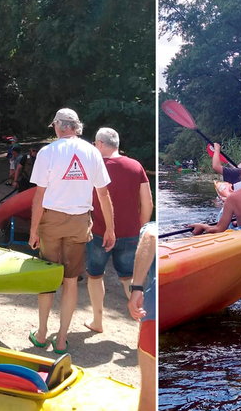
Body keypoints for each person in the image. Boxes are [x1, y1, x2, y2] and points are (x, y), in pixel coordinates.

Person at [28, 108, 114, 355]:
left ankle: (43, 333)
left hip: (51, 222)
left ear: (59, 126)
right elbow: (103, 194)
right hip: (79, 221)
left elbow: (39, 196)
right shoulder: (92, 152)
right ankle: (62, 338)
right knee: (70, 280)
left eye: (54, 125)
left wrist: (33, 231)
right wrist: (110, 228)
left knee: (48, 278)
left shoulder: (48, 152)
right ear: (76, 126)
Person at [84, 128, 153, 333]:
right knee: (130, 279)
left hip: (97, 231)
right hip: (131, 233)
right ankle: (143, 324)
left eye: (96, 144)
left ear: (102, 144)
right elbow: (148, 202)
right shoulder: (135, 166)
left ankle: (97, 322)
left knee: (95, 276)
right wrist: (141, 227)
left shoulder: (93, 167)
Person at [126, 222, 156, 411]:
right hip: (154, 312)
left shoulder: (152, 227)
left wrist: (136, 288)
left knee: (149, 397)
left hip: (153, 315)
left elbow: (151, 235)